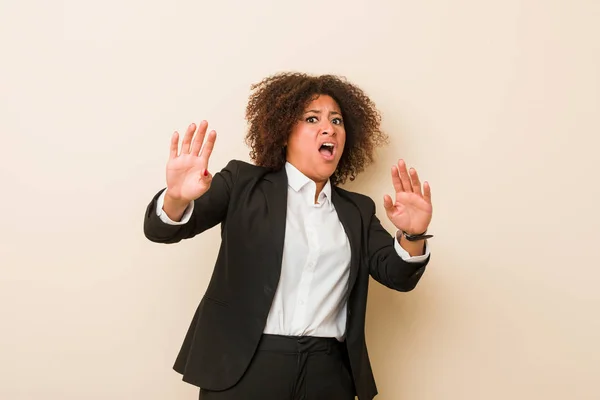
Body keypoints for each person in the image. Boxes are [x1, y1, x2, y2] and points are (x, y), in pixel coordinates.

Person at [143, 72, 433, 400]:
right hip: (244, 366)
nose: (330, 128)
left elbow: (399, 275)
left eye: (337, 121)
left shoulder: (357, 211)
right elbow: (160, 230)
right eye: (313, 119)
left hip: (328, 373)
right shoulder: (242, 183)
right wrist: (177, 198)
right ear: (283, 133)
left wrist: (413, 232)